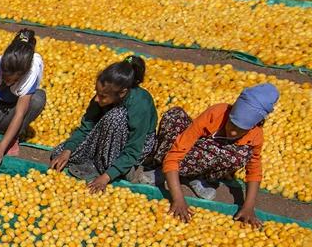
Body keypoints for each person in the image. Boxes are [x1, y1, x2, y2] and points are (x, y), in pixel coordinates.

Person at [149, 83, 279, 227]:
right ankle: (164, 170)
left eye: (240, 130)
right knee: (174, 116)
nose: (233, 132)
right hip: (194, 151)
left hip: (207, 158)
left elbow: (254, 170)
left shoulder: (255, 135)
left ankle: (197, 177)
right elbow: (177, 150)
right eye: (232, 124)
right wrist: (178, 198)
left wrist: (248, 206)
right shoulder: (217, 113)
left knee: (241, 154)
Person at [49, 55, 156, 193]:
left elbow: (134, 148)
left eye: (103, 96)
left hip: (135, 145)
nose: (97, 99)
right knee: (58, 154)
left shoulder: (140, 104)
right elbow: (86, 126)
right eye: (97, 93)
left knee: (115, 117)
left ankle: (125, 169)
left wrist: (106, 177)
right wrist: (67, 151)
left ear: (122, 93)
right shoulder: (101, 97)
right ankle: (101, 162)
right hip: (108, 135)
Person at [0, 29, 46, 167]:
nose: (7, 83)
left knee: (38, 98)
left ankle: (12, 138)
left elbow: (20, 114)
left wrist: (0, 150)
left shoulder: (32, 69)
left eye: (13, 80)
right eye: (5, 78)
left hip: (10, 117)